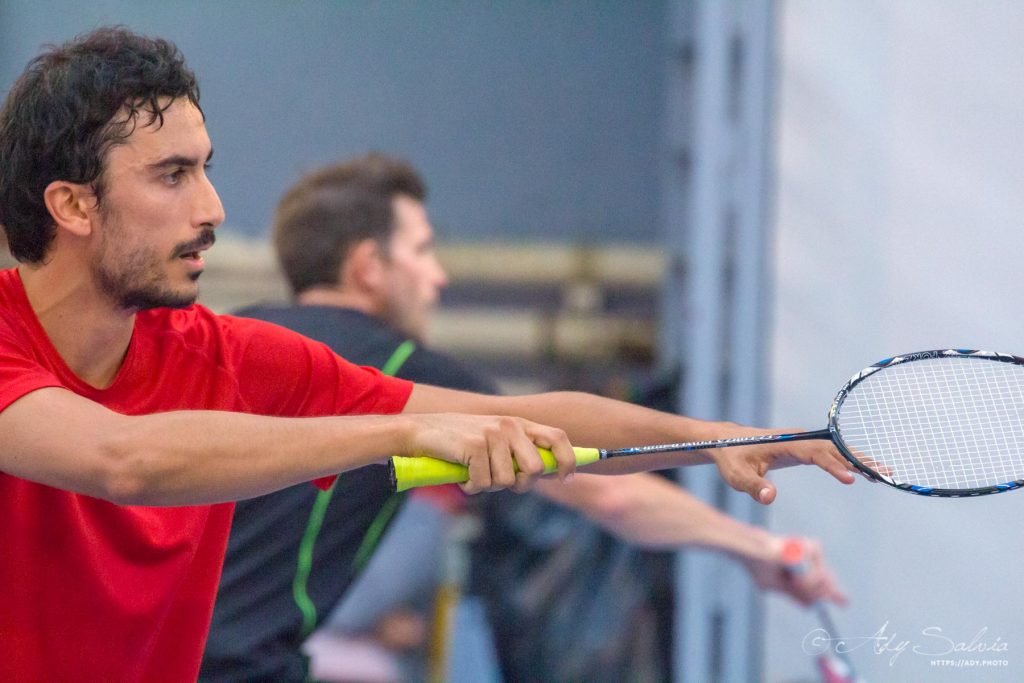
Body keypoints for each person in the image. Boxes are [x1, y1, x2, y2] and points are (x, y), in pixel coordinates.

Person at [0, 27, 853, 681]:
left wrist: (712, 435)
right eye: (172, 175)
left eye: (208, 169)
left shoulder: (228, 352)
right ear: (73, 204)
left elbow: (523, 416)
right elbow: (126, 460)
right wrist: (397, 433)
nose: (215, 206)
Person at [200, 154, 848, 681]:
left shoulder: (226, 336)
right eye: (422, 251)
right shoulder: (399, 368)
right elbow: (611, 490)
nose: (438, 275)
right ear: (369, 267)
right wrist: (756, 543)